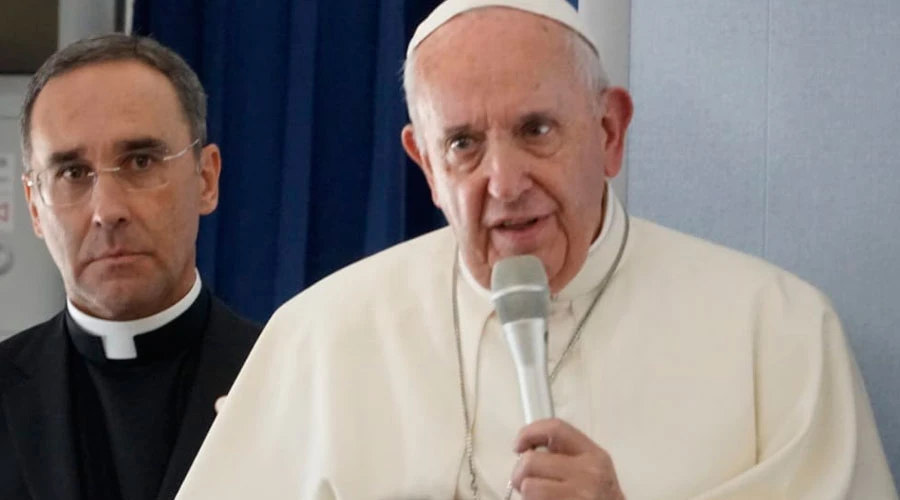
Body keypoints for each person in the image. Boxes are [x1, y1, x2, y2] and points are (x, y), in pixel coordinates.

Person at [175, 1, 897, 499]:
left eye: (536, 130)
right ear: (424, 165)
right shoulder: (318, 337)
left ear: (609, 132)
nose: (505, 181)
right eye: (462, 144)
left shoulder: (777, 331)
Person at [0, 34, 261, 500]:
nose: (108, 210)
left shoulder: (291, 378)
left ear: (206, 179)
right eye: (72, 173)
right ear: (35, 209)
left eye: (141, 161)